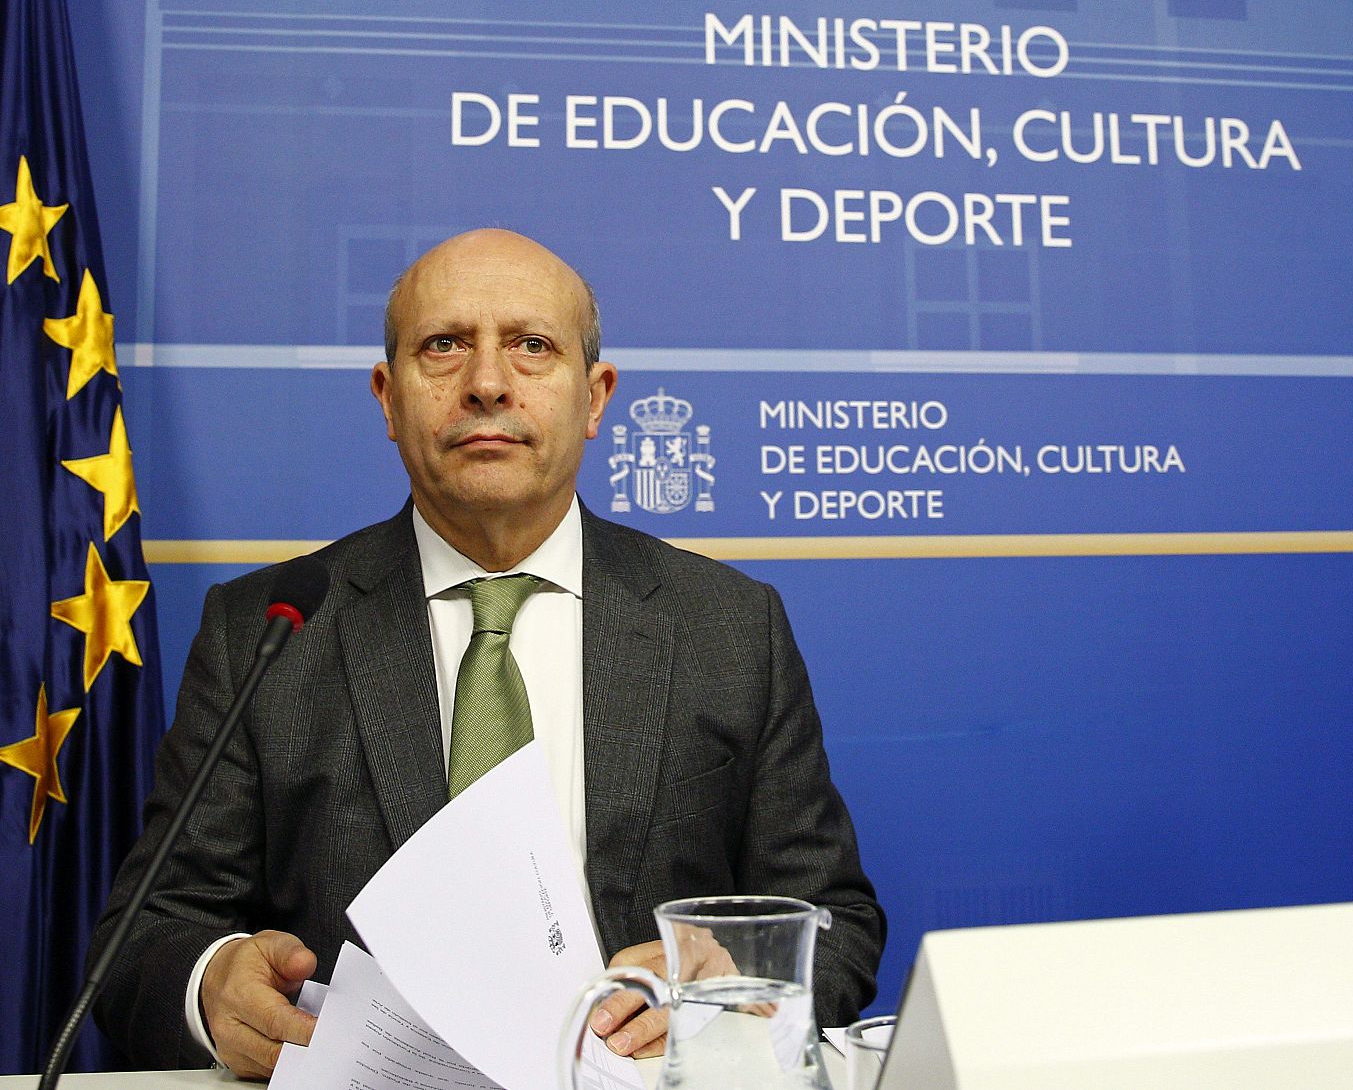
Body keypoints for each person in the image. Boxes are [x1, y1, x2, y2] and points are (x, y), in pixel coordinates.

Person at [88, 229, 885, 1077]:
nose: (488, 384)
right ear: (387, 399)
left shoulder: (726, 625)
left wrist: (733, 987)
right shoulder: (269, 627)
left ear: (596, 397)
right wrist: (213, 986)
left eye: (533, 347)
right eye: (444, 346)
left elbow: (832, 919)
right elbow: (148, 933)